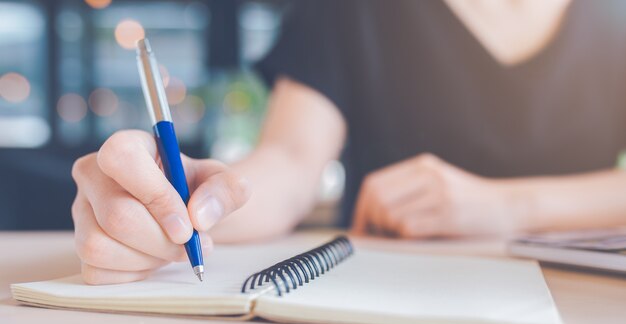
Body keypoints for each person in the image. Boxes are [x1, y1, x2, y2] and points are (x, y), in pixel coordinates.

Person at [71, 0, 626, 284]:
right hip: (386, 317)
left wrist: (505, 206)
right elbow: (290, 162)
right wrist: (193, 196)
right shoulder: (350, 9)